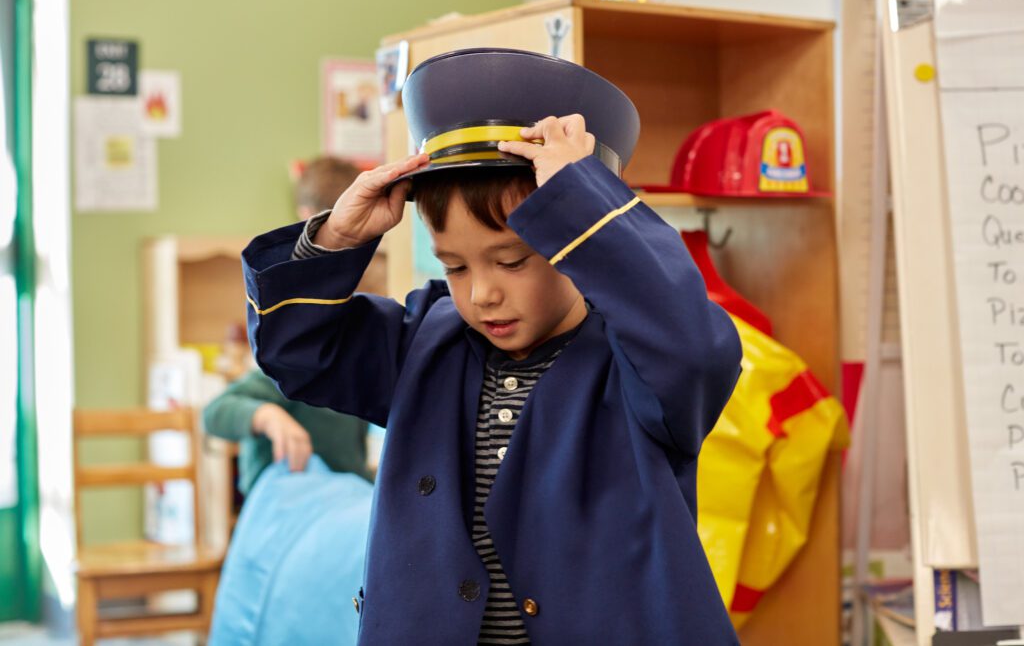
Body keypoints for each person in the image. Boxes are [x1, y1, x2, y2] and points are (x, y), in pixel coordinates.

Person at [242, 48, 743, 644]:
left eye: (511, 261)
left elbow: (694, 347)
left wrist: (584, 197)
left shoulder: (635, 362)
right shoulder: (424, 339)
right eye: (454, 266)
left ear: (574, 240)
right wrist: (334, 240)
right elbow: (298, 352)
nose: (481, 294)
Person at [203, 156, 380, 493]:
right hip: (292, 503)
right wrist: (268, 417)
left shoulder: (360, 354)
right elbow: (215, 413)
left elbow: (353, 464)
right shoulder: (292, 360)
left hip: (342, 496)